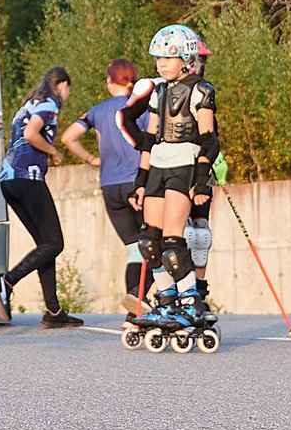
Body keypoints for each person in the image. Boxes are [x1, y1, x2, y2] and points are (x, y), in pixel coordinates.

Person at [118, 25, 220, 345]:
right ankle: (165, 302)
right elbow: (149, 138)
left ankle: (190, 302)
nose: (161, 63)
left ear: (186, 58)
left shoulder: (202, 90)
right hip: (159, 165)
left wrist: (202, 180)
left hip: (184, 163)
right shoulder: (159, 92)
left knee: (174, 241)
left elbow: (209, 140)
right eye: (158, 57)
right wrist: (140, 181)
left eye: (169, 57)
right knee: (149, 242)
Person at [0, 65, 83, 327]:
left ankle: (53, 312)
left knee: (46, 244)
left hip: (8, 180)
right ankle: (7, 280)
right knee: (55, 243)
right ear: (63, 85)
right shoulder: (49, 103)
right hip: (27, 178)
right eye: (69, 90)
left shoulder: (29, 102)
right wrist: (53, 151)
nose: (68, 95)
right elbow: (32, 134)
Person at [60, 58, 147, 306]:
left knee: (133, 250)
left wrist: (90, 158)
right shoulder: (141, 107)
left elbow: (68, 137)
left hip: (110, 186)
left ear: (110, 82)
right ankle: (141, 302)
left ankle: (135, 301)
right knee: (150, 246)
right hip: (137, 183)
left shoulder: (98, 111)